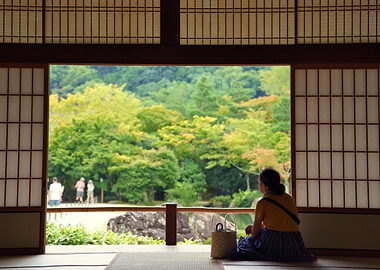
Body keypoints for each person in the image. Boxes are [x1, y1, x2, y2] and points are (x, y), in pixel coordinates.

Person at [233, 168, 316, 262]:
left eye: (259, 182)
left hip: (273, 242)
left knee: (243, 243)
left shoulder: (263, 203)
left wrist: (250, 237)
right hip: (294, 244)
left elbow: (255, 232)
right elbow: (280, 223)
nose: (258, 185)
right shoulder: (289, 198)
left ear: (265, 185)